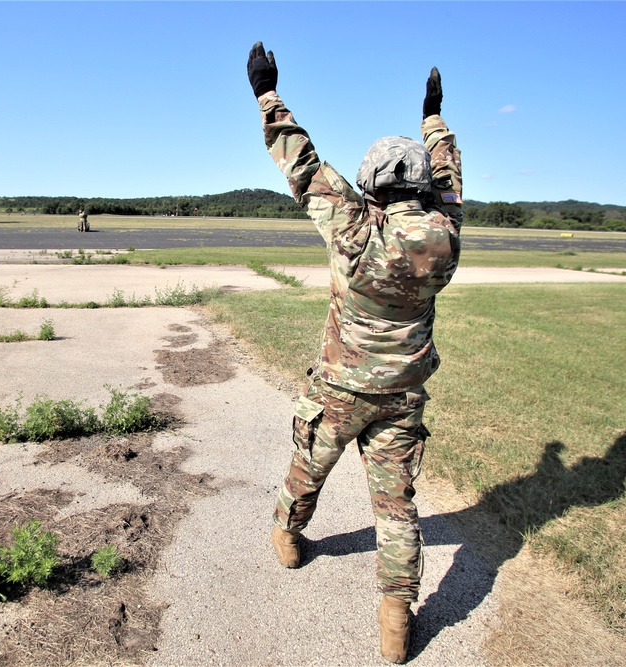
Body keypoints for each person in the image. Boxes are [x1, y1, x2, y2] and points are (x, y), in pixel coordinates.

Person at [247, 42, 463, 664]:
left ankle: (288, 533)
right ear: (423, 186)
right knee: (396, 507)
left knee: (308, 467)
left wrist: (267, 92)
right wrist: (434, 118)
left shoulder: (353, 225)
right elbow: (448, 175)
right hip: (401, 394)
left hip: (340, 388)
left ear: (371, 187)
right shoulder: (445, 233)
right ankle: (396, 618)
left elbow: (302, 161)